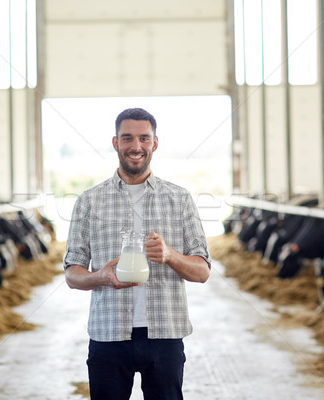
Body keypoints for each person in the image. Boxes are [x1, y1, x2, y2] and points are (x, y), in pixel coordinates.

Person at [63, 107, 211, 400]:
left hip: (165, 334)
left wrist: (170, 255)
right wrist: (100, 277)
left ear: (154, 143)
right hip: (108, 335)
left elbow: (202, 271)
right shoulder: (89, 201)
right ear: (115, 142)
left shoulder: (179, 199)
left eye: (144, 138)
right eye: (127, 138)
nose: (136, 146)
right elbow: (71, 274)